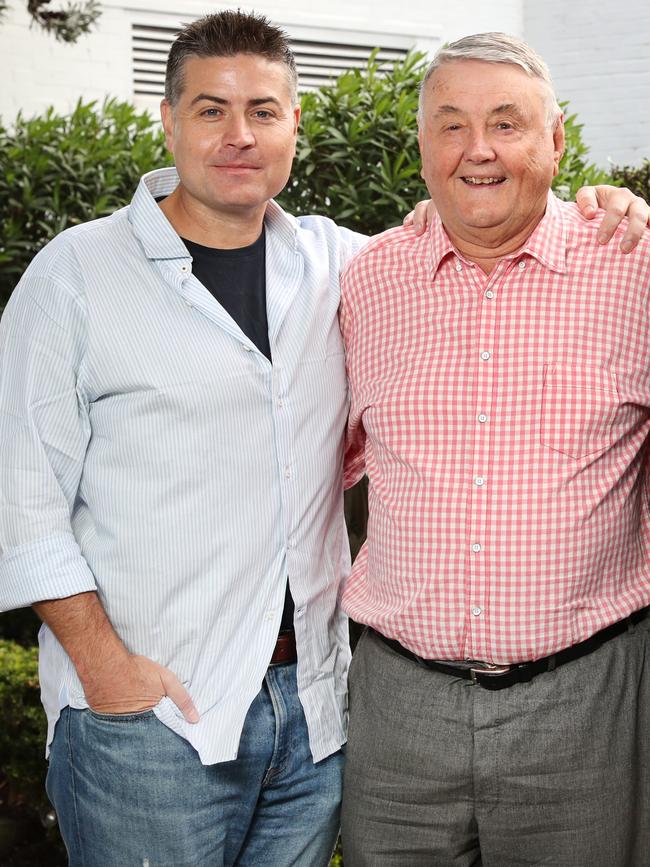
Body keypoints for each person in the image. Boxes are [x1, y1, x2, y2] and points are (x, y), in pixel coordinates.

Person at [0, 13, 646, 867]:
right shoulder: (80, 276)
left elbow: (469, 217)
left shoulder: (342, 265)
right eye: (210, 110)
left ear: (295, 126)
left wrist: (613, 204)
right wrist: (103, 667)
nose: (240, 135)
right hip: (158, 716)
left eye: (264, 111)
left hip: (328, 714)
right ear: (167, 119)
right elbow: (21, 495)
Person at [340, 32, 650, 867]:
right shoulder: (366, 280)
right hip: (397, 711)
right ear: (422, 148)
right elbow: (319, 456)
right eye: (450, 126)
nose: (478, 150)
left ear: (555, 141)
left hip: (584, 702)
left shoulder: (635, 267)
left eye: (506, 124)